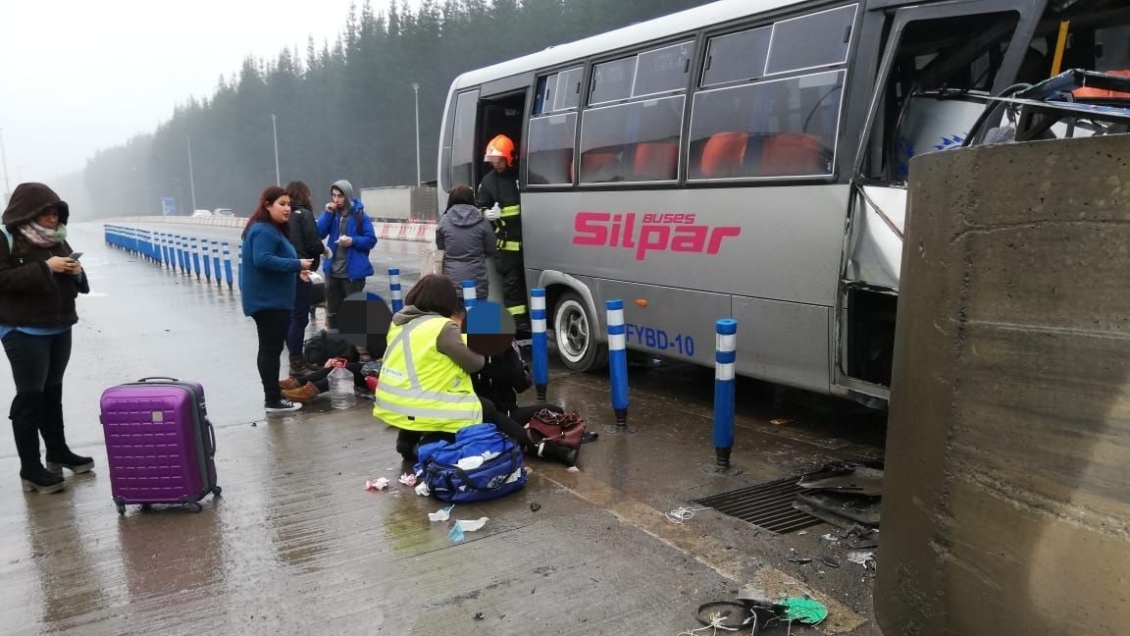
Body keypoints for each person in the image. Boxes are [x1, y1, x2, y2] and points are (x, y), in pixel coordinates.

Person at [371, 275, 576, 468]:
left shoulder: (400, 324)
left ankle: (407, 443)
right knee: (483, 408)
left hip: (394, 403)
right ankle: (548, 450)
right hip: (424, 403)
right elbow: (475, 363)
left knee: (476, 411)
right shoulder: (442, 327)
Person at [0, 183, 92, 494]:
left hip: (59, 327)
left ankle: (58, 450)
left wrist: (75, 270)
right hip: (23, 331)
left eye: (56, 213)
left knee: (52, 394)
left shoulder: (58, 240)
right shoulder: (6, 239)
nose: (53, 219)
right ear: (28, 213)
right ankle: (30, 468)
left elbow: (72, 277)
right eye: (46, 213)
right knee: (30, 398)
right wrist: (45, 268)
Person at [241, 186, 314, 413]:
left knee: (270, 349)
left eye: (289, 205)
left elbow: (274, 260)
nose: (287, 209)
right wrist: (297, 264)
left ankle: (273, 394)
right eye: (281, 204)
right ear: (267, 205)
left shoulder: (271, 229)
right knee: (270, 350)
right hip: (267, 302)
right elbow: (263, 260)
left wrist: (296, 271)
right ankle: (272, 399)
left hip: (274, 300)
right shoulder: (264, 230)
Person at [475, 134, 530, 334]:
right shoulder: (488, 182)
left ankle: (529, 320)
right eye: (493, 161)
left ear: (510, 158)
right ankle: (518, 325)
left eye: (499, 160)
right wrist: (486, 213)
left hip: (530, 242)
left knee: (528, 285)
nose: (496, 165)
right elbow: (479, 207)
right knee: (511, 287)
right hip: (507, 248)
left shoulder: (522, 176)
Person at [316, 180, 376, 330]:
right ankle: (335, 344)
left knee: (353, 313)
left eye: (340, 196)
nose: (336, 200)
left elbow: (371, 240)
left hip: (352, 274)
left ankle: (354, 348)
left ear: (347, 196)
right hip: (332, 272)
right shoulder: (332, 214)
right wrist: (327, 214)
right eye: (334, 196)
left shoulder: (359, 215)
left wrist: (353, 241)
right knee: (332, 312)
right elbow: (319, 233)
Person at [283, 180, 326, 377]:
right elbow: (313, 243)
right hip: (302, 270)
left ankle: (295, 359)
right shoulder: (304, 214)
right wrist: (324, 249)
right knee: (299, 319)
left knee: (290, 318)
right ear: (303, 195)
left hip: (285, 270)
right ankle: (297, 363)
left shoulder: (284, 215)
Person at [436, 184, 496, 301]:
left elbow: (440, 246)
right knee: (480, 316)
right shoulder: (482, 220)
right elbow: (491, 248)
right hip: (477, 279)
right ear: (471, 199)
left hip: (452, 282)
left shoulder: (444, 220)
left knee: (455, 317)